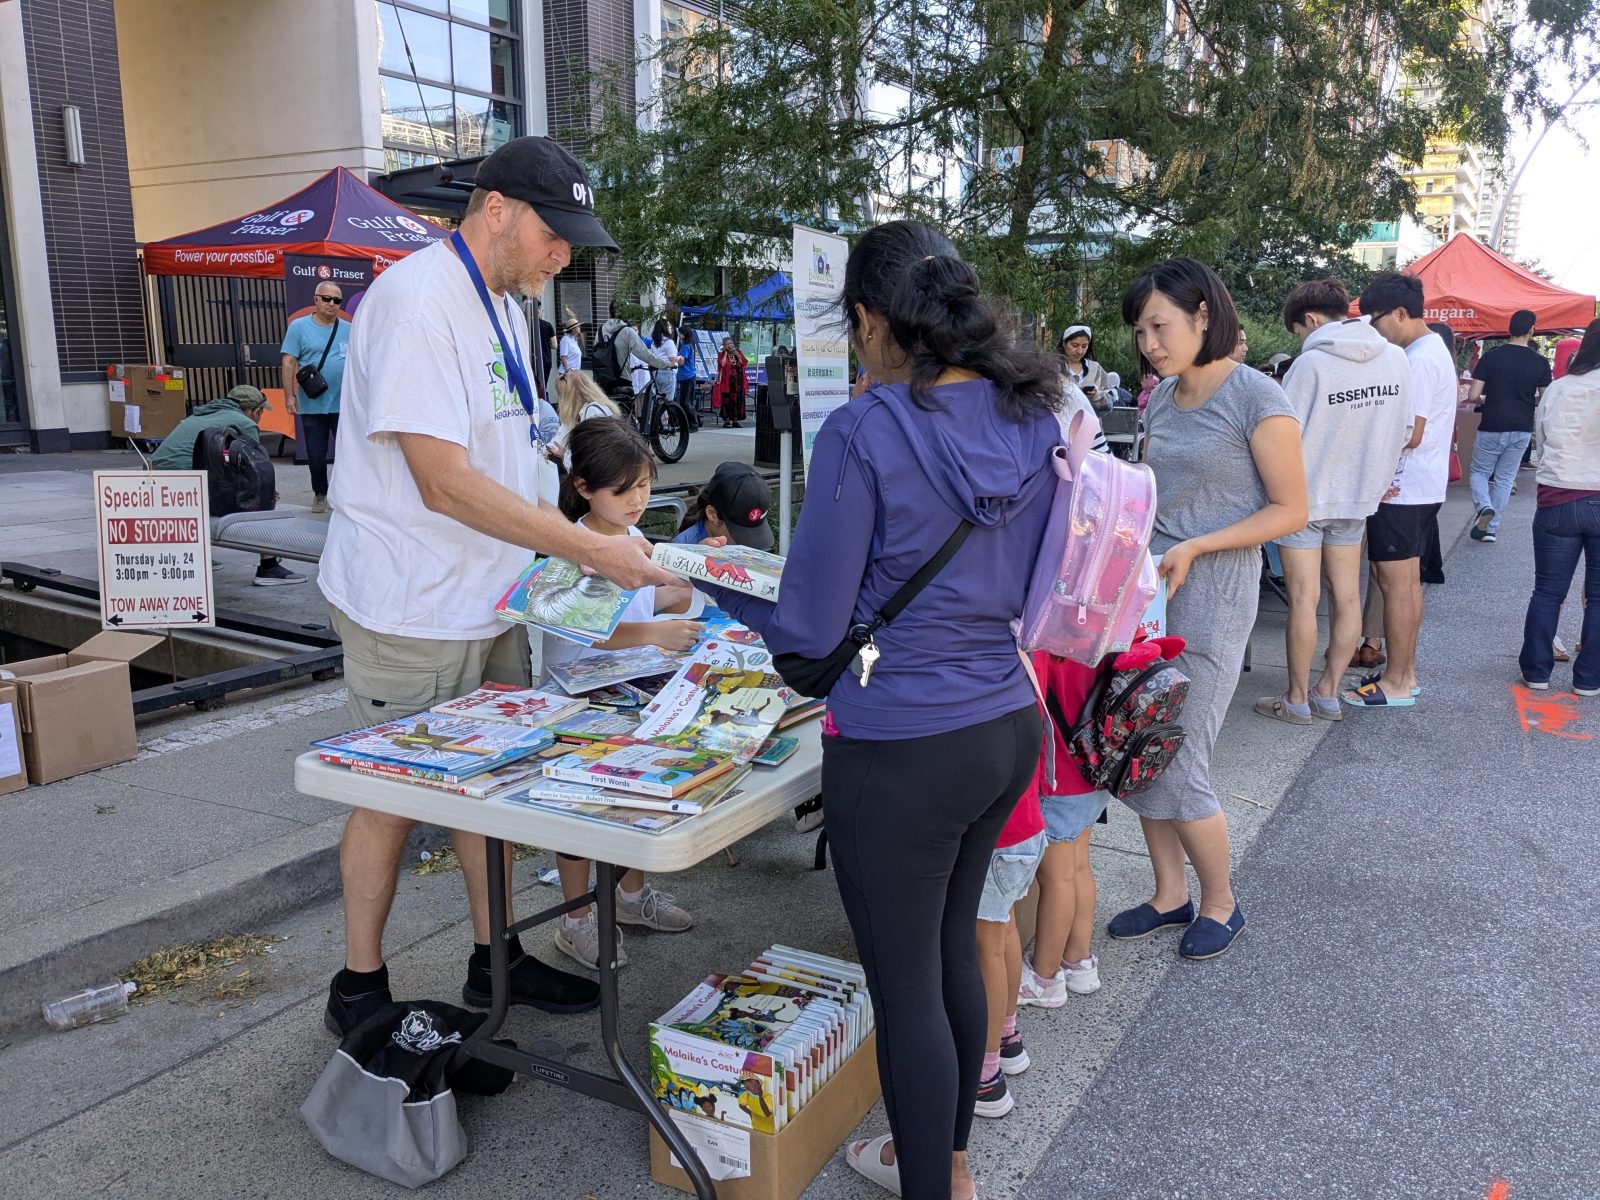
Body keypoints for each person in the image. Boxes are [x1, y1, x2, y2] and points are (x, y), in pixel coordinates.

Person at [694, 220, 1061, 1200]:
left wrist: (719, 582)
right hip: (1004, 725)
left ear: (868, 319)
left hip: (901, 747)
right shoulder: (1034, 419)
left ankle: (934, 1186)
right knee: (949, 948)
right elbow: (1040, 587)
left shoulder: (866, 430)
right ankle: (946, 1167)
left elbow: (808, 630)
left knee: (904, 983)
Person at [316, 135, 673, 1037]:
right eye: (556, 236)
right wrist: (587, 551)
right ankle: (359, 985)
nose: (564, 256)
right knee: (394, 792)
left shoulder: (510, 308)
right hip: (414, 604)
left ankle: (495, 959)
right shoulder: (415, 301)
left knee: (495, 781)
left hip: (494, 595)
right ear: (499, 210)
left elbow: (502, 446)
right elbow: (440, 479)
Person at [1110, 257, 1306, 960]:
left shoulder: (1257, 397)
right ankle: (1170, 893)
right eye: (1141, 331)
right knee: (1140, 740)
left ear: (1202, 315)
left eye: (1159, 325)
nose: (1150, 343)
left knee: (1183, 751)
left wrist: (1197, 544)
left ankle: (1222, 901)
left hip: (1216, 591)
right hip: (1152, 592)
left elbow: (1292, 510)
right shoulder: (1161, 398)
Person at [547, 418, 704, 968]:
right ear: (584, 488)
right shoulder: (572, 547)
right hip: (579, 700)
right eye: (624, 490)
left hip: (632, 693)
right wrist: (656, 632)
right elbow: (589, 631)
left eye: (644, 485)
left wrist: (684, 589)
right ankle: (575, 920)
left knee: (634, 797)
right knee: (578, 809)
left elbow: (645, 604)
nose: (639, 500)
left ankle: (630, 897)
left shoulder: (635, 539)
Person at [1254, 280, 1411, 725]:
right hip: (1359, 498)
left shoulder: (1311, 364)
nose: (1301, 339)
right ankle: (1329, 692)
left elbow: (1283, 435)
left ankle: (1297, 699)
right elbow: (1404, 432)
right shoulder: (1396, 359)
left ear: (1311, 319)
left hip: (1305, 499)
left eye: (1298, 330)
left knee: (1304, 599)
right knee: (1346, 598)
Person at [1344, 273, 1458, 709]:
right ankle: (1404, 673)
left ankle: (1395, 680)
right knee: (1406, 584)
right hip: (1418, 487)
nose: (1375, 331)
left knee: (1396, 585)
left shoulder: (1417, 359)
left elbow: (1411, 432)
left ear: (1399, 313)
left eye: (1376, 321)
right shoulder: (1431, 351)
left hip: (1401, 488)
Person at [1016, 651, 1110, 1007]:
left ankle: (1044, 978)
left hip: (1061, 779)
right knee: (1078, 868)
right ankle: (1079, 961)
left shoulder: (1052, 648)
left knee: (1056, 880)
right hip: (1096, 771)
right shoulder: (1103, 636)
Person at [151, 384, 305, 586]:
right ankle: (268, 567)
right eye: (260, 413)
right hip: (187, 482)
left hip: (152, 480)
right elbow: (256, 470)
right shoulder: (244, 423)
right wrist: (269, 492)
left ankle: (196, 555)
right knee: (263, 495)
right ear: (252, 411)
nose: (259, 417)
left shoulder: (199, 415)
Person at [1519, 318, 1600, 694]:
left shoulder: (1559, 388)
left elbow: (1542, 437)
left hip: (1557, 497)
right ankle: (1589, 679)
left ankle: (1537, 671)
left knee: (1548, 591)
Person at [971, 755, 1047, 1121]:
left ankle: (985, 1078)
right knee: (1004, 933)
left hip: (997, 838)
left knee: (985, 950)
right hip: (1025, 826)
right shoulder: (1026, 693)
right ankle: (1006, 1038)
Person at [1468, 309, 1552, 544]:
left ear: (1509, 329)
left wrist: (1488, 398)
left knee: (1480, 472)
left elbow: (1474, 395)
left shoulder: (1492, 357)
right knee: (1505, 478)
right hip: (1522, 427)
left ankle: (1484, 507)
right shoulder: (1540, 362)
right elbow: (1545, 400)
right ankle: (1491, 529)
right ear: (1531, 330)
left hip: (1492, 424)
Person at [280, 280, 350, 515]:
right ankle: (320, 493)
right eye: (327, 299)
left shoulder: (349, 328)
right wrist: (289, 395)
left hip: (345, 404)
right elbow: (289, 361)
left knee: (349, 452)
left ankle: (346, 494)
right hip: (313, 403)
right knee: (317, 453)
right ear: (316, 299)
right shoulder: (299, 327)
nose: (332, 304)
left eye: (337, 300)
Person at [672, 460, 776, 550]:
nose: (749, 545)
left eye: (755, 535)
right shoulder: (680, 551)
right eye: (740, 534)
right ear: (712, 514)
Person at [550, 369, 621, 466]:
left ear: (569, 396)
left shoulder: (594, 412)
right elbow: (560, 436)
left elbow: (593, 457)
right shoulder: (580, 412)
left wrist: (564, 455)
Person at [1059, 324, 1111, 413]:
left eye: (1084, 346)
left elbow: (1109, 405)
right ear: (1064, 343)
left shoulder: (1095, 369)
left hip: (1089, 424)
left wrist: (1096, 395)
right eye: (1075, 345)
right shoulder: (1052, 366)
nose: (1079, 351)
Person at [713, 337, 748, 426]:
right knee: (727, 400)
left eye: (731, 343)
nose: (730, 345)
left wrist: (738, 355)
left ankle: (736, 420)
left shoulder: (738, 352)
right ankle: (728, 420)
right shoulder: (721, 354)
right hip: (727, 382)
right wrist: (725, 354)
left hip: (738, 382)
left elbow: (743, 363)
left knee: (738, 400)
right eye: (727, 344)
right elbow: (722, 364)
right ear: (724, 346)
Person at [557, 310, 584, 377]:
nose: (580, 328)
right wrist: (567, 370)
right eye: (578, 326)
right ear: (573, 329)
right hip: (567, 373)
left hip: (575, 373)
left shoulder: (574, 339)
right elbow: (563, 356)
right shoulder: (565, 340)